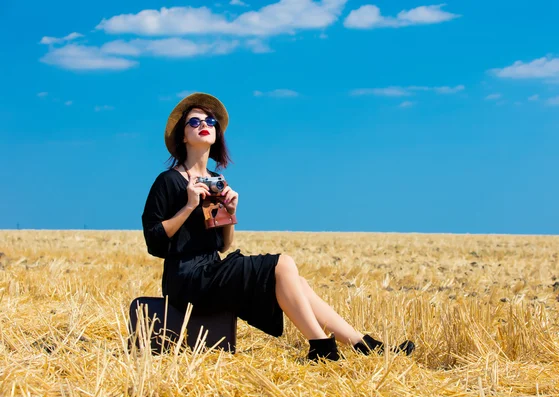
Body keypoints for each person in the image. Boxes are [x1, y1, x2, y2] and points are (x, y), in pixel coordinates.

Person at [141, 92, 415, 362]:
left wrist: (231, 213)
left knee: (298, 281)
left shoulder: (216, 180)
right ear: (183, 136)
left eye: (210, 122)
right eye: (195, 122)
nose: (204, 125)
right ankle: (321, 347)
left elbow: (224, 245)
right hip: (187, 280)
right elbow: (154, 241)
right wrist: (188, 206)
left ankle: (363, 344)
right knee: (283, 264)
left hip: (213, 268)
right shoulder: (169, 181)